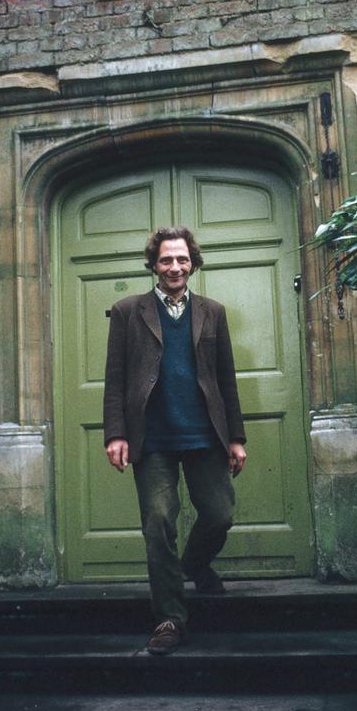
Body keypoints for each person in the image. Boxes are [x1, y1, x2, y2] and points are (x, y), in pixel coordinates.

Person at [103, 226, 247, 655]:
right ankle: (169, 618)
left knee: (219, 515)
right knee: (160, 523)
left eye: (182, 259)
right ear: (154, 264)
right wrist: (116, 433)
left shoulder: (212, 312)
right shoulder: (129, 311)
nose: (174, 267)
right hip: (154, 438)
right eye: (166, 260)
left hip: (205, 434)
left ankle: (193, 565)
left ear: (193, 263)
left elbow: (226, 379)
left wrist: (236, 437)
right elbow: (115, 379)